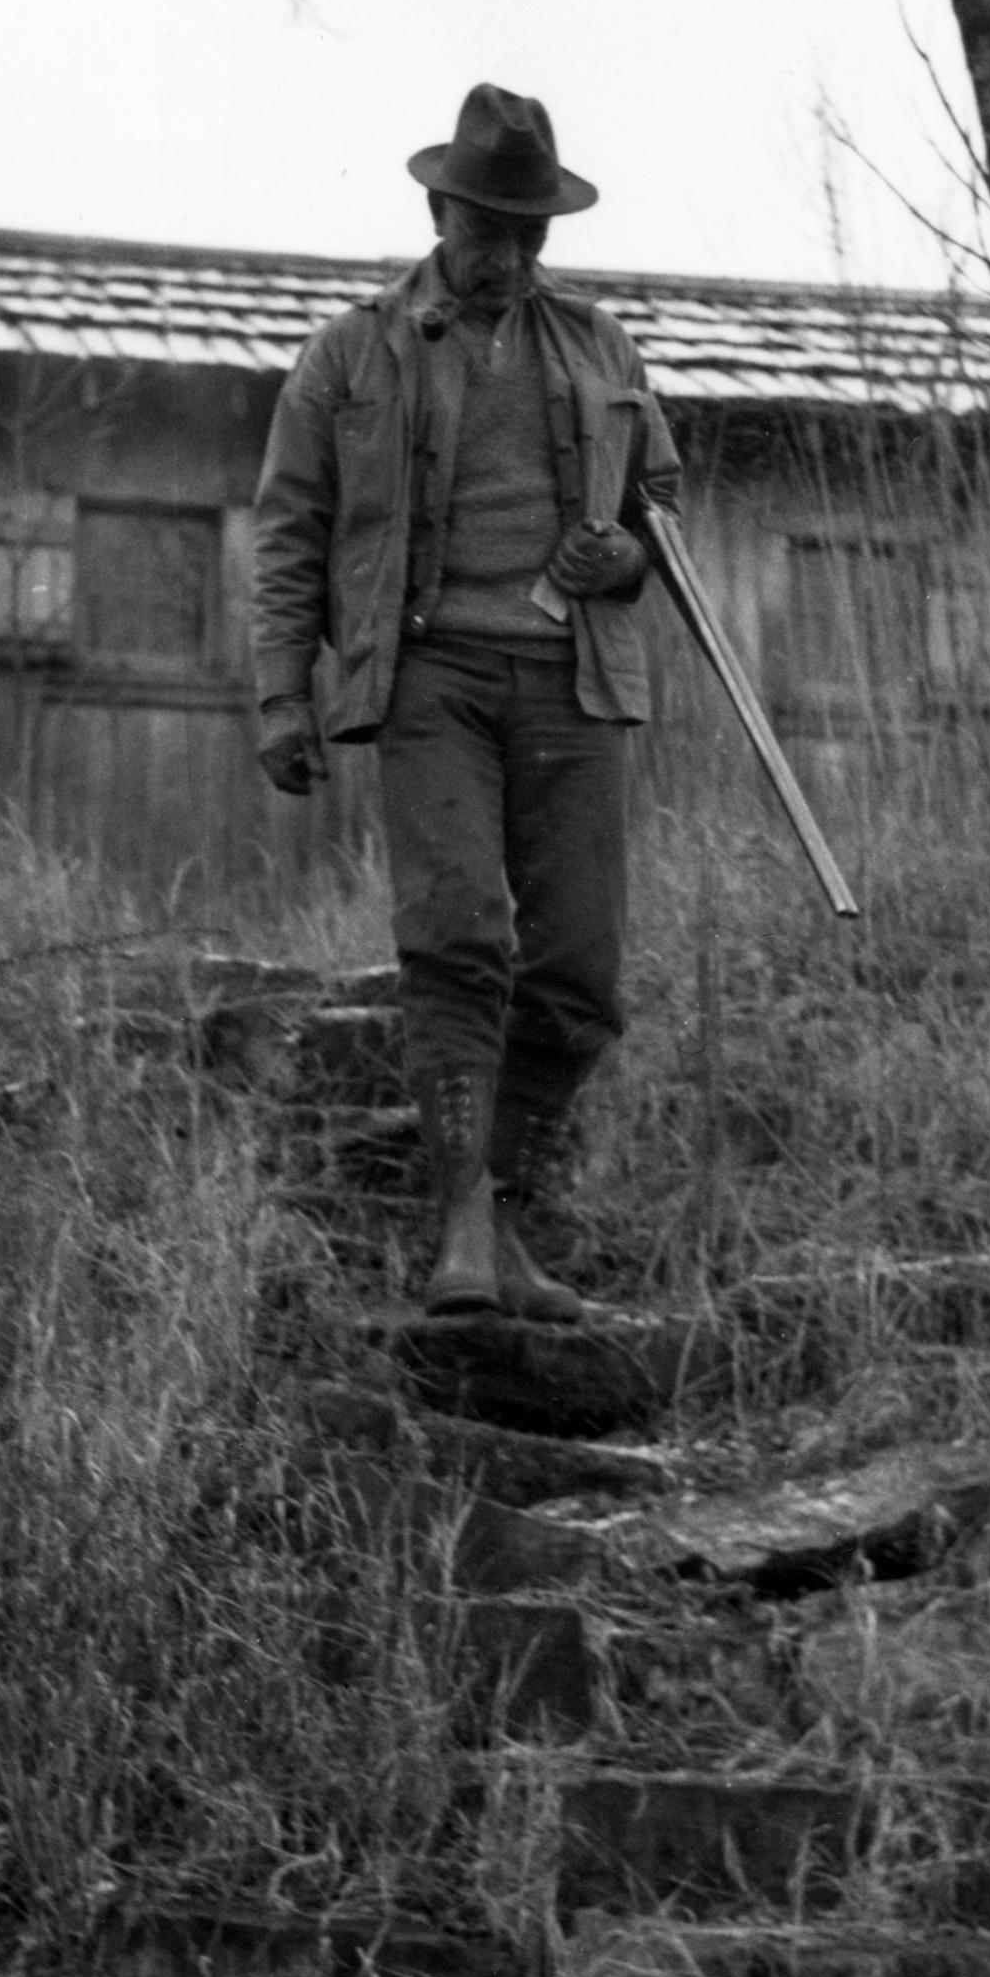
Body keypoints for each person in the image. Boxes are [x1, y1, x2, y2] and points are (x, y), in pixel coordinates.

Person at [252, 84, 682, 1317]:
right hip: (429, 676)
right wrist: (285, 694)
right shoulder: (352, 352)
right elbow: (291, 531)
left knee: (581, 975)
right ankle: (455, 1234)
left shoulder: (603, 347)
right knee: (456, 942)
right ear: (441, 208)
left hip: (572, 684)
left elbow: (661, 508)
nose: (508, 256)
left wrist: (632, 562)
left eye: (530, 232)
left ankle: (503, 1225)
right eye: (488, 227)